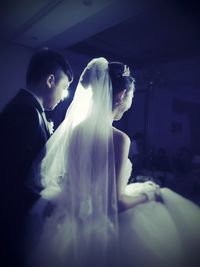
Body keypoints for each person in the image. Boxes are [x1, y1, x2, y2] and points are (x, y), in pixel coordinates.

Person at [27, 58, 200, 267]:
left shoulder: (75, 132)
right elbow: (114, 205)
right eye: (131, 96)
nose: (130, 102)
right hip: (100, 230)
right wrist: (148, 195)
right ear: (121, 95)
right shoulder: (119, 139)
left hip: (68, 222)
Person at [0, 48, 73, 267]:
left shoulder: (30, 109)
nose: (63, 96)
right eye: (65, 87)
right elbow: (15, 175)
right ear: (51, 80)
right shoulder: (25, 112)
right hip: (12, 216)